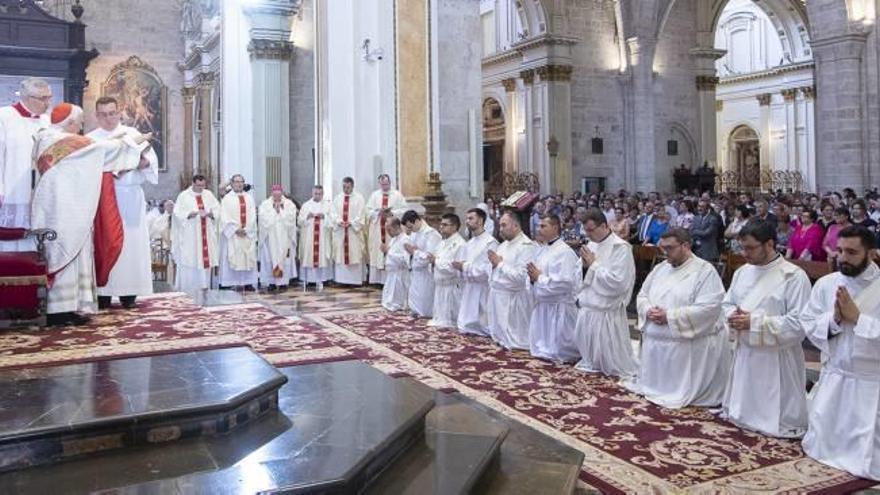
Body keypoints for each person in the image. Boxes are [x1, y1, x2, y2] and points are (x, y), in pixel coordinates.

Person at [31, 103, 150, 325]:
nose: (81, 126)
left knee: (71, 254)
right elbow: (101, 149)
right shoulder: (67, 141)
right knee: (66, 254)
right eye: (79, 122)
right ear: (71, 123)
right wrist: (132, 142)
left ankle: (70, 308)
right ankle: (59, 311)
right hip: (66, 208)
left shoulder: (46, 137)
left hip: (64, 205)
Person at [801, 225, 880, 481]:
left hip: (871, 381)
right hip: (836, 374)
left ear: (871, 253)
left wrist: (858, 318)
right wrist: (834, 319)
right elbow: (810, 322)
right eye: (840, 251)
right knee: (824, 446)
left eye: (852, 252)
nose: (843, 258)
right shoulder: (827, 284)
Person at [721, 220, 810, 438]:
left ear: (769, 244)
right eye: (743, 247)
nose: (745, 253)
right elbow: (727, 303)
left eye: (750, 248)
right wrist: (733, 316)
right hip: (746, 349)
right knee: (743, 410)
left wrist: (754, 322)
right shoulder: (743, 272)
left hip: (777, 356)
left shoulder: (793, 276)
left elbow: (800, 322)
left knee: (776, 412)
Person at [628, 228, 730, 408]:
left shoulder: (704, 271)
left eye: (670, 248)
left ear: (685, 245)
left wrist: (669, 316)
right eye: (663, 248)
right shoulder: (660, 268)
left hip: (684, 339)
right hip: (656, 335)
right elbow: (642, 294)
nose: (665, 252)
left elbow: (709, 307)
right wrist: (649, 310)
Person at [88, 96, 159, 308]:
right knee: (103, 242)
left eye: (112, 113)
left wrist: (141, 163)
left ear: (119, 113)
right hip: (103, 197)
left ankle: (129, 291)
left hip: (130, 196)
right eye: (103, 114)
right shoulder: (91, 138)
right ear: (96, 115)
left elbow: (150, 163)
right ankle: (103, 292)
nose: (108, 119)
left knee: (131, 243)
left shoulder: (133, 134)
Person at [573, 208, 638, 377]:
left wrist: (593, 265)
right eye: (585, 230)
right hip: (589, 306)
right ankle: (591, 361)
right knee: (591, 358)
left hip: (606, 309)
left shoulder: (621, 248)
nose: (587, 234)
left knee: (611, 361)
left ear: (604, 225)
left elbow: (618, 283)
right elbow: (577, 274)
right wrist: (584, 267)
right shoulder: (591, 244)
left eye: (591, 230)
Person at [0, 77, 51, 252]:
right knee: (10, 243)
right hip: (13, 191)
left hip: (39, 191)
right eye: (43, 98)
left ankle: (33, 276)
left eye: (49, 97)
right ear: (28, 98)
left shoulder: (47, 121)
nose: (48, 103)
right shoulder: (4, 116)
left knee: (36, 240)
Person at [527, 214, 581, 362]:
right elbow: (534, 274)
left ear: (555, 227)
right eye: (538, 226)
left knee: (560, 351)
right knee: (541, 348)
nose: (539, 229)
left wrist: (539, 278)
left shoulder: (565, 252)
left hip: (559, 306)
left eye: (543, 226)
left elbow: (565, 283)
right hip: (544, 303)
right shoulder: (542, 250)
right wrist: (532, 279)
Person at [487, 211, 537, 350]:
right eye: (500, 225)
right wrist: (493, 266)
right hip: (499, 294)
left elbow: (521, 277)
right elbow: (495, 270)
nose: (500, 229)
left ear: (515, 225)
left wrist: (500, 264)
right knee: (500, 340)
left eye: (504, 225)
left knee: (516, 341)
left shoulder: (526, 246)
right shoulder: (503, 245)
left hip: (513, 297)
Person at [453, 208, 499, 336]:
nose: (467, 221)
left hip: (482, 288)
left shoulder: (490, 243)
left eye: (471, 218)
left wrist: (465, 267)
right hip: (469, 287)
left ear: (480, 221)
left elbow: (487, 270)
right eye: (467, 218)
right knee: (465, 325)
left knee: (482, 324)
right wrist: (459, 267)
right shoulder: (469, 243)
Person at [174, 175, 220, 294]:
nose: (201, 188)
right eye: (198, 185)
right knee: (191, 258)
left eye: (203, 185)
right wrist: (190, 214)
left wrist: (211, 214)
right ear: (193, 183)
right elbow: (177, 213)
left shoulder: (208, 194)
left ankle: (204, 286)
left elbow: (217, 210)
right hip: (191, 235)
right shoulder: (183, 196)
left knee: (205, 259)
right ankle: (189, 288)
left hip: (206, 233)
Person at [218, 174, 258, 291]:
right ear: (232, 183)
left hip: (246, 234)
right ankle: (230, 282)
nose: (239, 184)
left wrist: (246, 229)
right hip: (233, 235)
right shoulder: (227, 198)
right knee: (232, 256)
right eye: (236, 182)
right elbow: (224, 216)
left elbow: (252, 216)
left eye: (241, 182)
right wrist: (235, 229)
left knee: (247, 257)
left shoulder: (249, 198)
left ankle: (247, 282)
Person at [366, 174, 407, 284]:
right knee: (377, 251)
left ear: (390, 182)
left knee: (391, 248)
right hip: (377, 228)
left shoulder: (397, 195)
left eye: (386, 183)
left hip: (392, 229)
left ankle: (387, 280)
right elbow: (367, 211)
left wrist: (392, 213)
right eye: (382, 184)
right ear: (379, 183)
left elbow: (404, 210)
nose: (385, 186)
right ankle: (377, 280)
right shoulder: (374, 195)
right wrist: (377, 212)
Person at [427, 213, 466, 328]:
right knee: (439, 318)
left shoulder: (460, 244)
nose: (441, 227)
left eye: (445, 225)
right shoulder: (442, 243)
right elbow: (436, 259)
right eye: (441, 224)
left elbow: (453, 267)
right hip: (440, 284)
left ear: (454, 227)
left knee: (450, 320)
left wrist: (436, 261)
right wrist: (433, 262)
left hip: (451, 285)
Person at [258, 185, 297, 291]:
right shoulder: (265, 204)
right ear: (271, 194)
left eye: (279, 195)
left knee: (285, 258)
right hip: (270, 237)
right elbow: (263, 219)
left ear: (282, 194)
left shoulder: (289, 204)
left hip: (285, 237)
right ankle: (271, 282)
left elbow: (291, 219)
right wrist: (274, 211)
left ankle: (284, 282)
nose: (277, 197)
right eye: (275, 195)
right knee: (269, 258)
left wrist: (281, 211)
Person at [403, 210, 442, 318]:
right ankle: (416, 311)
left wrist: (415, 252)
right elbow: (410, 249)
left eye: (411, 227)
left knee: (425, 296)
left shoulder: (431, 234)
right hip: (416, 270)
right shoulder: (415, 233)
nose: (410, 230)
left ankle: (426, 314)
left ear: (416, 221)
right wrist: (412, 252)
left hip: (426, 272)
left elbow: (429, 256)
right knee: (415, 295)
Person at [331, 177, 366, 285]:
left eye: (348, 187)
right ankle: (341, 280)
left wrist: (351, 223)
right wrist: (339, 221)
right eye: (344, 187)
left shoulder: (359, 198)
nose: (345, 189)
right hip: (341, 231)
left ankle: (354, 280)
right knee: (341, 254)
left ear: (352, 186)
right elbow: (333, 213)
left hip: (353, 232)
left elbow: (361, 214)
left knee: (354, 252)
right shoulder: (337, 198)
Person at [298, 185, 333, 291]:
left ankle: (323, 279)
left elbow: (333, 220)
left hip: (322, 237)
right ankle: (309, 279)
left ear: (322, 194)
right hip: (309, 237)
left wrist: (325, 217)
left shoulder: (328, 205)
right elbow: (299, 221)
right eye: (315, 193)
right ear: (312, 193)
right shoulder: (306, 205)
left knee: (322, 256)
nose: (317, 196)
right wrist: (306, 217)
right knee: (309, 256)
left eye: (319, 194)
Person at [381, 217, 410, 311]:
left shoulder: (405, 240)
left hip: (400, 274)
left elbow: (405, 260)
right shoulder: (394, 239)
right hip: (392, 273)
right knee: (388, 302)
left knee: (396, 303)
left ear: (397, 226)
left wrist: (388, 252)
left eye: (389, 229)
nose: (388, 233)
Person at [149, 199, 176, 284]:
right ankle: (165, 283)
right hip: (163, 249)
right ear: (165, 207)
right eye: (169, 206)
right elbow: (157, 234)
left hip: (175, 247)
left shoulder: (177, 218)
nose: (171, 208)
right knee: (167, 257)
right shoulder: (159, 220)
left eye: (172, 206)